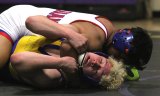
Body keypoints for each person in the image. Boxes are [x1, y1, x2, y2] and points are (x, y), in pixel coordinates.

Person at [0, 5, 153, 81]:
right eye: (120, 59)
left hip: (31, 19)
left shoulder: (108, 28)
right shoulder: (96, 39)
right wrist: (75, 80)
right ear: (117, 46)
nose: (117, 62)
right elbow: (67, 46)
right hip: (16, 22)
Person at [1, 35, 126, 90]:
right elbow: (32, 21)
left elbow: (17, 59)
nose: (94, 62)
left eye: (96, 70)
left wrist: (60, 63)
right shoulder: (79, 44)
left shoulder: (55, 76)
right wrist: (68, 33)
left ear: (89, 80)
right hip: (12, 32)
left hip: (4, 56)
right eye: (100, 60)